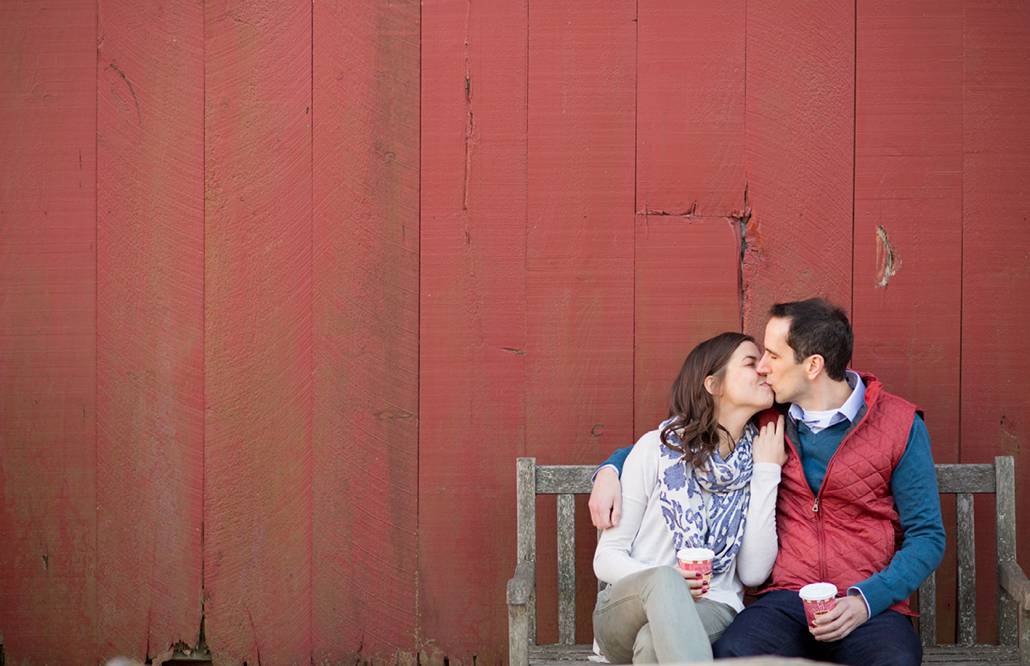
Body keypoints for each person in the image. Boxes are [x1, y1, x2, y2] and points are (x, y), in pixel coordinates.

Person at [589, 298, 945, 666]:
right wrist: (610, 468)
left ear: (812, 365)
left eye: (772, 355)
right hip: (786, 600)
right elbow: (680, 442)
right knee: (734, 653)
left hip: (866, 603)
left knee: (896, 661)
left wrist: (865, 600)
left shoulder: (899, 425)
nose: (763, 367)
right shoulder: (768, 421)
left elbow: (928, 535)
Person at [592, 332, 787, 663]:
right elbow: (606, 557)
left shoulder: (758, 459)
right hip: (625, 611)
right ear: (714, 385)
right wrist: (668, 585)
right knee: (665, 582)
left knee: (654, 643)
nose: (764, 370)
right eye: (750, 363)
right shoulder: (656, 449)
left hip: (713, 607)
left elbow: (753, 573)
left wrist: (767, 472)